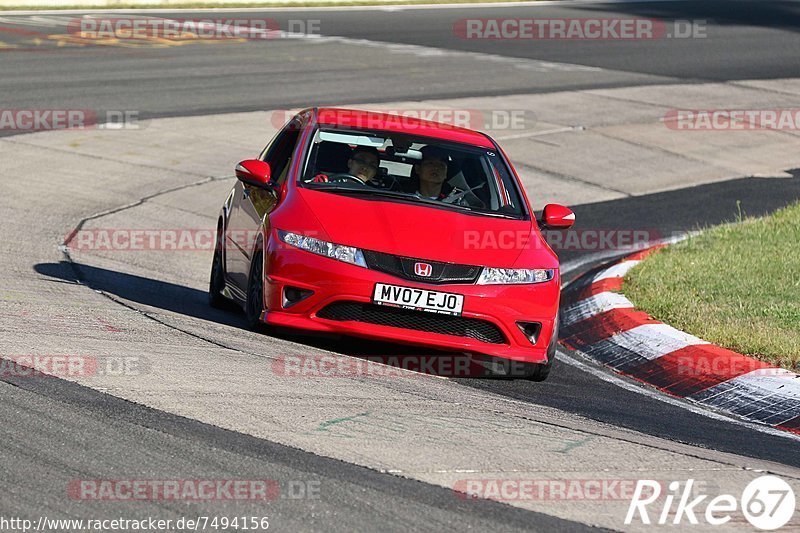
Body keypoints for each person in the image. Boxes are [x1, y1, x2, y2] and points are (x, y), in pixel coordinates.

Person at [313, 146, 381, 184]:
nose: (365, 168)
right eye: (361, 161)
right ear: (350, 163)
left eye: (372, 165)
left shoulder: (378, 195)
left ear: (375, 172)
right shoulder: (325, 184)